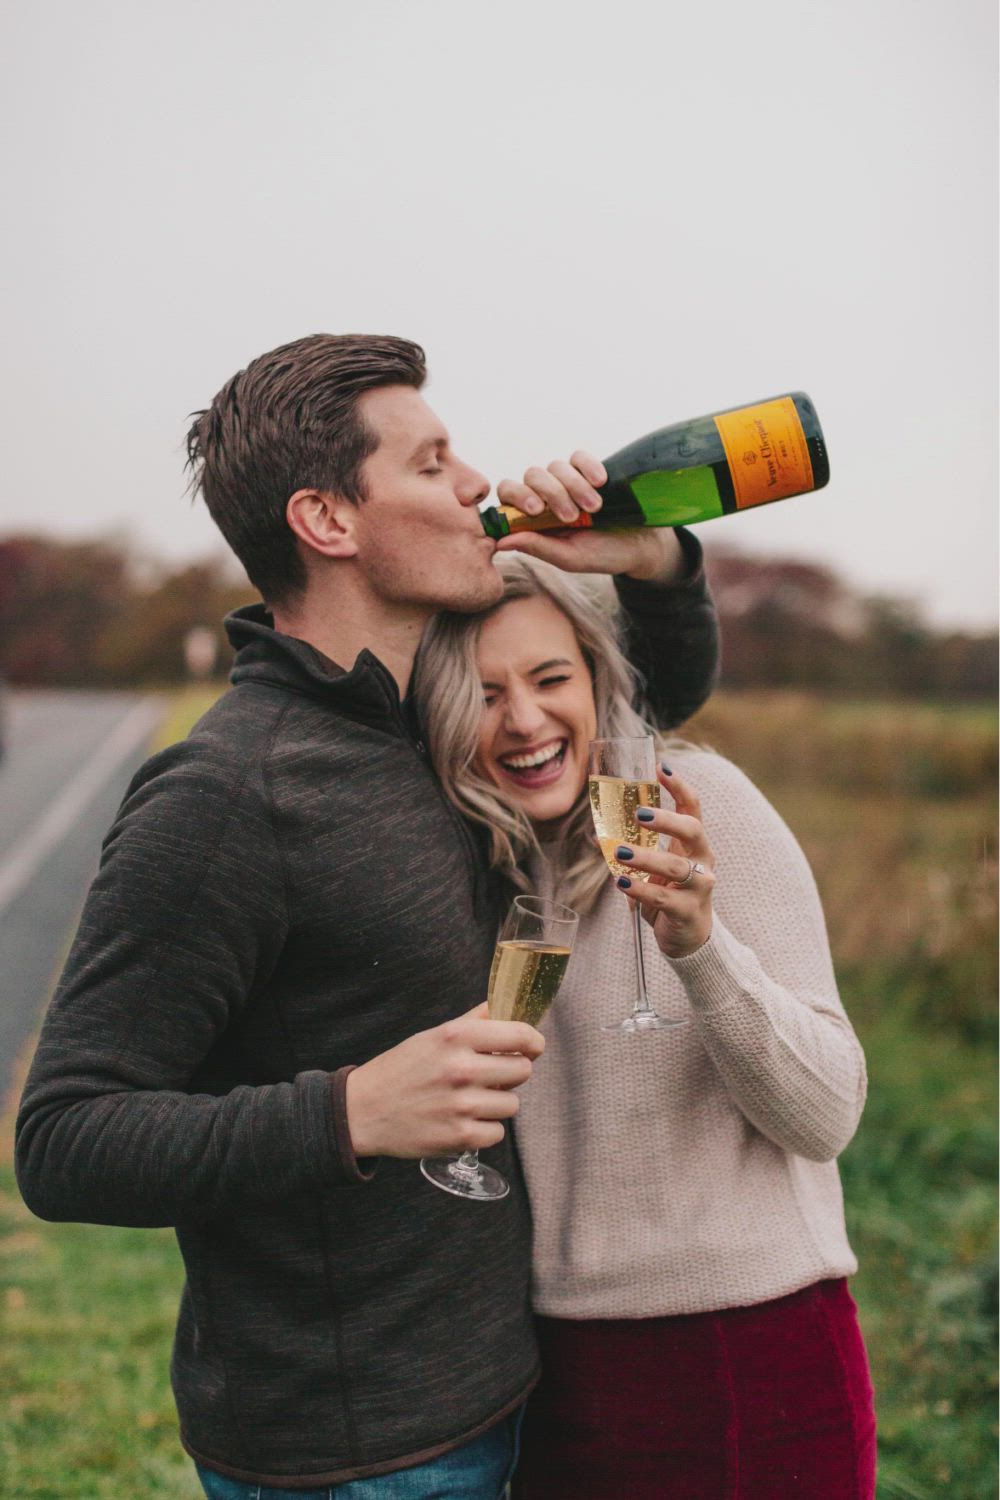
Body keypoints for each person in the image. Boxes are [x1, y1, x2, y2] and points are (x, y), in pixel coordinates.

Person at [14, 334, 719, 1498]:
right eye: (433, 462)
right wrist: (348, 1112)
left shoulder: (419, 723)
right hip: (348, 1456)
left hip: (498, 1398)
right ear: (329, 521)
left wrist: (650, 560)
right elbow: (66, 1142)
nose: (477, 485)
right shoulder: (229, 796)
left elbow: (642, 703)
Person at [414, 551, 877, 1500]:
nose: (525, 720)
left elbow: (827, 1112)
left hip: (750, 1354)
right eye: (484, 692)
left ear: (598, 679)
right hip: (559, 1375)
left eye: (550, 679)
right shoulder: (475, 861)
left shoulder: (699, 808)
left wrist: (700, 946)